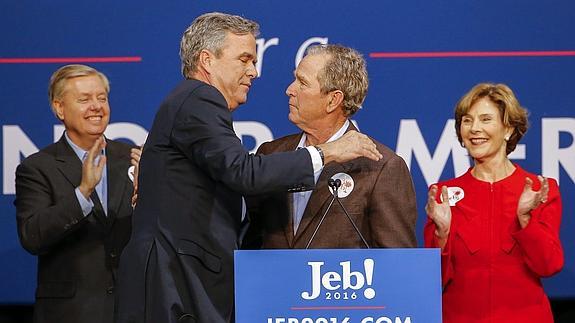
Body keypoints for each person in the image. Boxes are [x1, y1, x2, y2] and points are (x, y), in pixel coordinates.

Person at [116, 12, 382, 323]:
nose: (253, 71)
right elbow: (243, 173)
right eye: (244, 59)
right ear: (207, 60)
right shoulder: (199, 99)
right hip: (173, 283)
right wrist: (326, 152)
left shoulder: (191, 103)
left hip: (184, 280)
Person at [242, 44, 417, 249]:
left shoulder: (380, 167)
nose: (289, 90)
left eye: (302, 83)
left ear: (333, 100)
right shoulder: (272, 154)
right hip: (274, 281)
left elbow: (396, 262)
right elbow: (248, 243)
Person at [424, 83, 564, 322]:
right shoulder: (443, 195)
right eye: (467, 121)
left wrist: (525, 219)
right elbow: (431, 280)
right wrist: (442, 232)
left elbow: (549, 266)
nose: (474, 129)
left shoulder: (540, 189)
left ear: (508, 128)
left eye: (486, 119)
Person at [14, 64, 139, 323]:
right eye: (84, 99)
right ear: (59, 108)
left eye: (101, 98)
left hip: (132, 309)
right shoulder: (37, 167)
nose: (96, 106)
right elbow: (32, 236)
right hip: (71, 313)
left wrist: (146, 196)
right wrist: (83, 193)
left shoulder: (132, 159)